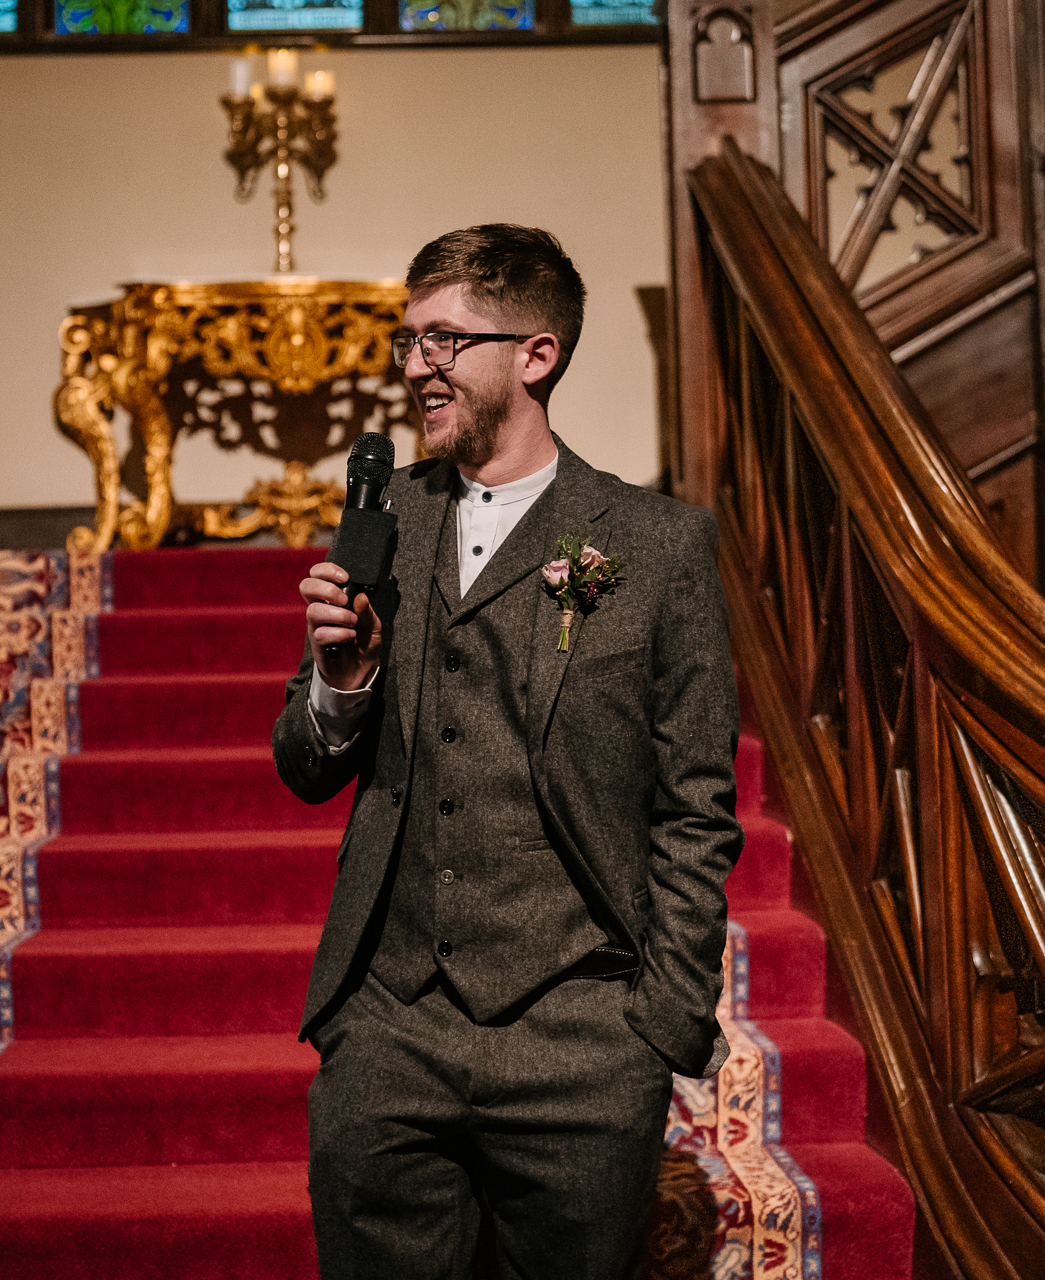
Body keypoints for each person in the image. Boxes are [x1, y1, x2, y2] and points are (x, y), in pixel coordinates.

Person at [271, 224, 743, 1279]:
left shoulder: (656, 546)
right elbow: (303, 766)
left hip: (582, 1038)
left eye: (443, 341)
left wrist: (655, 1024)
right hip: (389, 1028)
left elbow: (697, 803)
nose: (415, 370)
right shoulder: (382, 518)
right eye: (408, 342)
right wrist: (339, 681)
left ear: (537, 354)